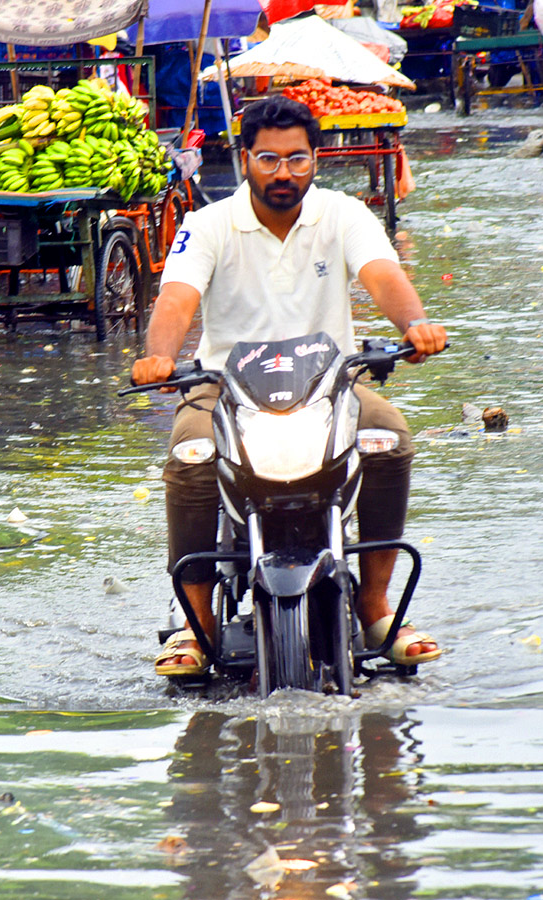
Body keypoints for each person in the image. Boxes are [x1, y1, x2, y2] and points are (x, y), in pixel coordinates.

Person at [130, 96, 447, 678]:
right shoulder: (208, 224)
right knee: (189, 454)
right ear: (245, 158)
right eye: (269, 159)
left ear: (316, 160)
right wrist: (158, 357)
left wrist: (414, 325)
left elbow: (384, 274)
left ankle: (376, 606)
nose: (284, 173)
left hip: (330, 385)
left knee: (389, 437)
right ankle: (194, 623)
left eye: (297, 159)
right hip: (222, 386)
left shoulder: (343, 214)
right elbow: (176, 297)